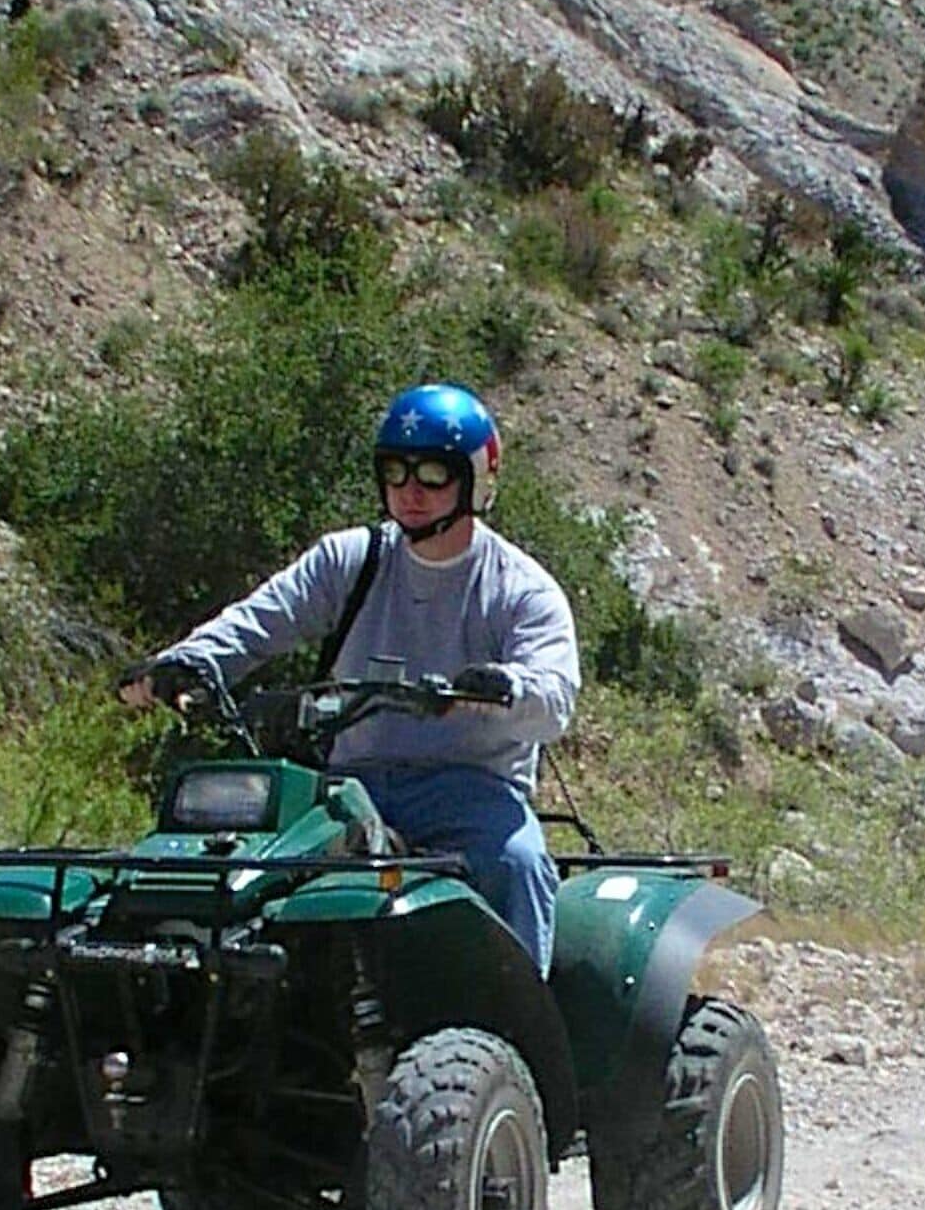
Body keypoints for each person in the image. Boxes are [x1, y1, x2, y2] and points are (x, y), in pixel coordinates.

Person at [123, 382, 583, 973]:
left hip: (469, 791)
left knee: (516, 862)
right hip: (347, 787)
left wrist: (501, 688)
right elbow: (256, 622)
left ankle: (518, 1043)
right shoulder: (351, 560)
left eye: (433, 474)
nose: (410, 490)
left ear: (475, 480)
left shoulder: (520, 588)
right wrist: (184, 664)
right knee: (231, 869)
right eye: (396, 471)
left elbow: (554, 698)